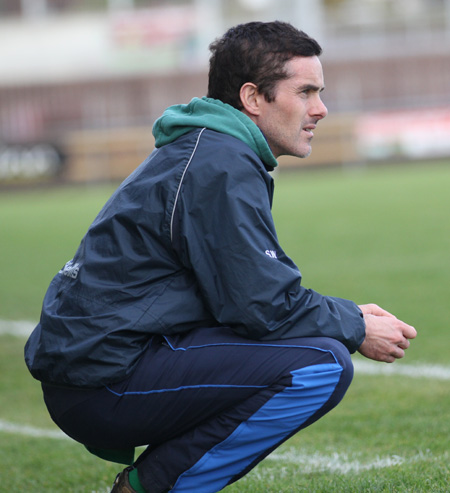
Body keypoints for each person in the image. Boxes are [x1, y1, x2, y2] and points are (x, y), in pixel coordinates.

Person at [24, 21, 417, 493]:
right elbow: (263, 305)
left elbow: (247, 301)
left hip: (95, 371)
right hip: (103, 383)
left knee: (307, 348)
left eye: (321, 92)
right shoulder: (219, 163)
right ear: (253, 98)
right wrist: (354, 325)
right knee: (321, 365)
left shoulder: (210, 149)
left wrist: (347, 316)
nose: (321, 109)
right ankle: (151, 488)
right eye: (306, 92)